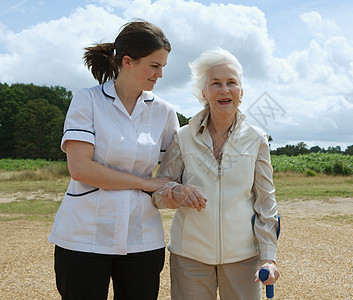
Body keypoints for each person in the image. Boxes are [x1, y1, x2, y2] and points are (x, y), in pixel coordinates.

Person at [48, 20, 202, 300]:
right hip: (83, 236)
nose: (160, 75)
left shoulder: (165, 112)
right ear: (128, 62)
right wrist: (146, 182)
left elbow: (175, 172)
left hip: (142, 237)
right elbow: (81, 169)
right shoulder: (87, 101)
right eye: (155, 66)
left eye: (163, 67)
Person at [152, 47, 280, 300]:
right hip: (190, 257)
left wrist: (268, 259)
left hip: (243, 258)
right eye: (215, 83)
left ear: (241, 93)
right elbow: (158, 191)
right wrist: (174, 192)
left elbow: (266, 204)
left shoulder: (257, 139)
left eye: (231, 83)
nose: (224, 90)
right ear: (204, 93)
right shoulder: (182, 137)